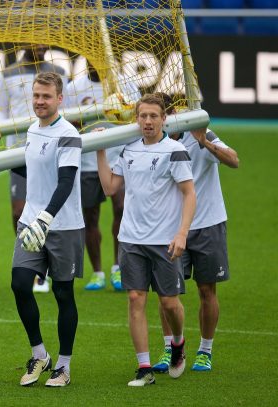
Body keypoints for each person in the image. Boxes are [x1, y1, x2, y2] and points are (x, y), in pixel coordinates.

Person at [96, 93, 196, 386]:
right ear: (136, 118)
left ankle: (177, 342)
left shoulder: (174, 150)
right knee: (135, 298)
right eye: (143, 116)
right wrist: (101, 152)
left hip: (165, 240)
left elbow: (190, 194)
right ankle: (144, 367)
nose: (148, 121)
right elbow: (110, 188)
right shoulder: (128, 150)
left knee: (168, 303)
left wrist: (182, 233)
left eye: (154, 116)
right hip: (130, 239)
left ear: (164, 119)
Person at [151, 92, 239, 373]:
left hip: (208, 223)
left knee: (206, 289)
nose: (158, 120)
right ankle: (170, 348)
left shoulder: (202, 133)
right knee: (167, 292)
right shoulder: (153, 142)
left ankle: (205, 350)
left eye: (162, 114)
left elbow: (234, 160)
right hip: (172, 227)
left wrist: (203, 141)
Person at [11, 72, 84, 388]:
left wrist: (46, 217)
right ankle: (40, 354)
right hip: (31, 221)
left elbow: (66, 181)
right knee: (20, 284)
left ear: (60, 99)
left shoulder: (68, 133)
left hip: (62, 225)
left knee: (63, 292)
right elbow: (35, 171)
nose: (40, 101)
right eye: (36, 96)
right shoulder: (31, 129)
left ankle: (64, 366)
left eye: (46, 96)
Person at [0, 44, 68, 293]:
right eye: (35, 41)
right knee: (19, 211)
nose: (40, 46)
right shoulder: (7, 74)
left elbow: (64, 107)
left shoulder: (58, 71)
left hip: (50, 148)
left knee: (50, 207)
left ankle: (45, 272)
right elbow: (0, 108)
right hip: (19, 150)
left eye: (44, 41)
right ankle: (31, 265)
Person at [65, 61, 140, 291]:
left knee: (121, 208)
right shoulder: (73, 88)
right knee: (90, 218)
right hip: (88, 161)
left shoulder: (126, 86)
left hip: (120, 157)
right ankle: (97, 272)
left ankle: (118, 267)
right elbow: (66, 123)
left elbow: (139, 117)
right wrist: (77, 122)